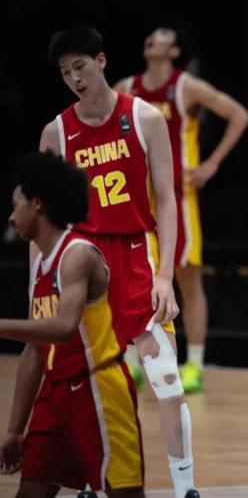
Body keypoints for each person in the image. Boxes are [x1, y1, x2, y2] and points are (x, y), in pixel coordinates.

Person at [39, 26, 198, 498]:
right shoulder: (56, 133)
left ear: (102, 61)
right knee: (89, 386)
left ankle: (186, 487)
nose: (75, 78)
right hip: (83, 262)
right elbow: (45, 221)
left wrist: (165, 277)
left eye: (80, 67)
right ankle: (96, 480)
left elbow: (166, 199)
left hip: (136, 255)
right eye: (65, 72)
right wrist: (39, 285)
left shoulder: (145, 117)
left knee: (165, 379)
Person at [114, 25, 248, 393]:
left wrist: (212, 163)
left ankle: (195, 362)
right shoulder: (126, 87)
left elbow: (239, 115)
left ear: (174, 51)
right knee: (136, 279)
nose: (152, 37)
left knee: (188, 280)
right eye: (151, 33)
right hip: (137, 199)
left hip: (178, 197)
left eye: (162, 35)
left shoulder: (186, 86)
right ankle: (133, 359)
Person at [0, 152, 143, 497]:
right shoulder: (40, 264)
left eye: (16, 205)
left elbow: (64, 328)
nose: (11, 216)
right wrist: (14, 430)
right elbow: (34, 350)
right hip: (55, 394)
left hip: (99, 388)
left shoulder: (77, 255)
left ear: (37, 203)